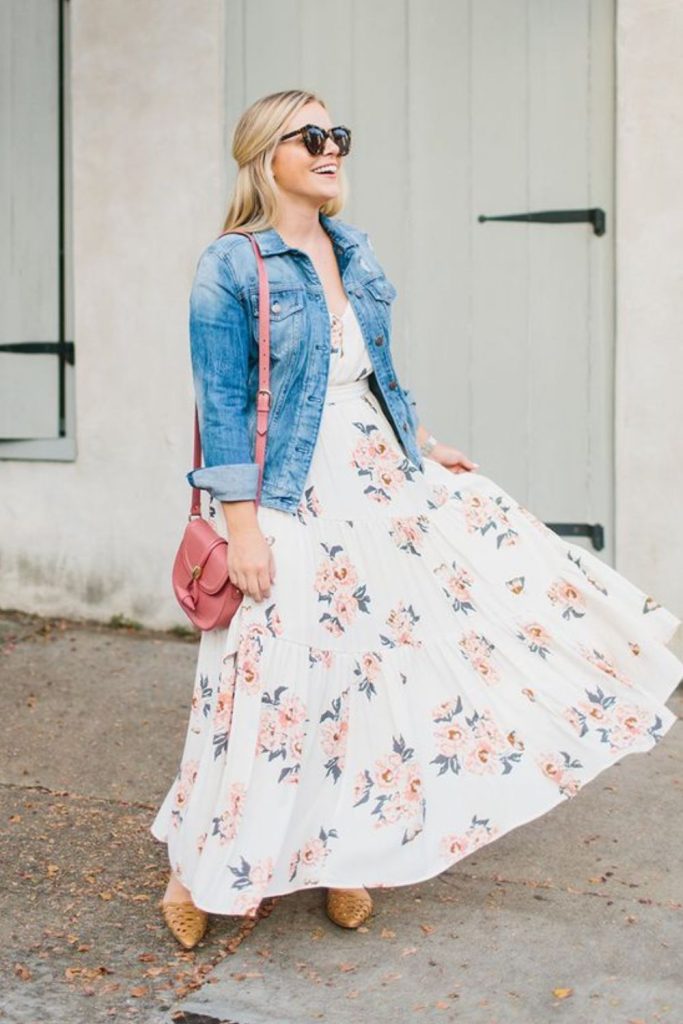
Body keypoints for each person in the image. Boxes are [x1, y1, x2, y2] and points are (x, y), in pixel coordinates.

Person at [150, 88, 683, 949]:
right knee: (264, 677)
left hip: (376, 478)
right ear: (265, 154)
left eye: (338, 136)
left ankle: (345, 852)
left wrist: (423, 442)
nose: (331, 150)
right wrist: (241, 526)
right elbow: (219, 401)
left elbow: (366, 371)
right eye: (311, 137)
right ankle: (197, 867)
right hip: (287, 490)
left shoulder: (349, 248)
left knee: (368, 669)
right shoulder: (232, 263)